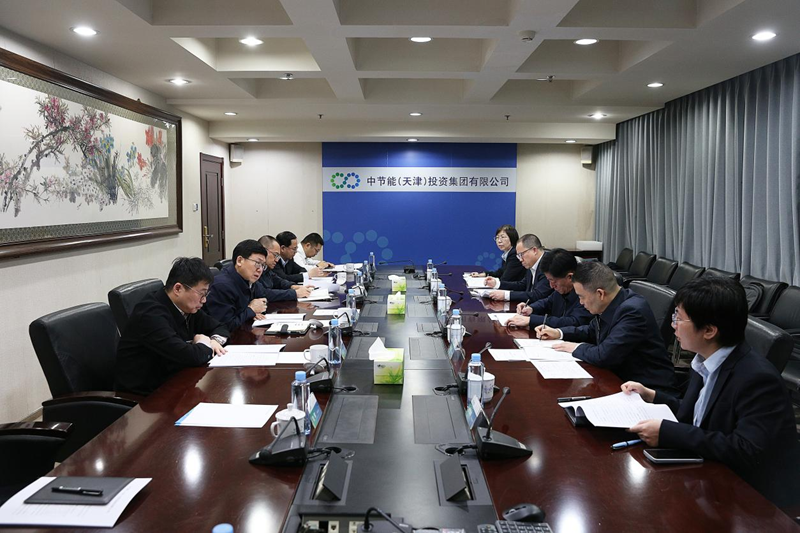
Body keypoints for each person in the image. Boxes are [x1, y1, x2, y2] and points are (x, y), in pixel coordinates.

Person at [622, 277, 799, 507]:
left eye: (679, 318)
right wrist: (652, 395)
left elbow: (746, 449)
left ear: (709, 330)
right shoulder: (705, 359)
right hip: (710, 471)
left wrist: (668, 433)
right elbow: (699, 412)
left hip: (753, 499)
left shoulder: (757, 379)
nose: (673, 325)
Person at [537, 261, 675, 393]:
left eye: (581, 297)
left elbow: (604, 356)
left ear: (600, 294)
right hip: (621, 379)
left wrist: (575, 347)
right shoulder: (613, 302)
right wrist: (558, 333)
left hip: (647, 388)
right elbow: (590, 330)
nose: (580, 302)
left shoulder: (632, 311)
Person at [115, 257, 228, 395]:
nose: (204, 300)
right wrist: (204, 343)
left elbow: (221, 327)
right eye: (201, 294)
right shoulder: (150, 315)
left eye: (206, 294)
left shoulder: (187, 307)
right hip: (146, 396)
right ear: (178, 288)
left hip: (176, 382)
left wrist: (214, 341)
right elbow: (188, 356)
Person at [506, 248, 592, 329]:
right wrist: (531, 308)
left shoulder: (586, 293)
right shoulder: (561, 290)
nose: (551, 286)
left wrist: (531, 320)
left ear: (570, 277)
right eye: (549, 281)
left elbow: (574, 322)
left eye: (553, 281)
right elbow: (548, 302)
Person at [204, 239, 269, 331]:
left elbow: (262, 303)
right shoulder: (222, 286)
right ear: (239, 261)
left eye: (263, 265)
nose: (260, 269)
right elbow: (224, 327)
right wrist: (251, 310)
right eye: (258, 263)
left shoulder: (250, 280)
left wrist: (256, 312)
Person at [486, 233, 553, 303]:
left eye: (521, 254)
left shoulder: (548, 264)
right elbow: (522, 285)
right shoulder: (531, 263)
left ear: (534, 250)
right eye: (518, 256)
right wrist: (497, 283)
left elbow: (538, 295)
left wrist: (506, 295)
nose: (520, 259)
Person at [257, 234, 315, 301]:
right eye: (275, 255)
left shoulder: (266, 268)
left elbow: (279, 281)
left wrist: (293, 286)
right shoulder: (255, 269)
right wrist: (295, 293)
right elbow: (264, 293)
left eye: (278, 256)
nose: (277, 260)